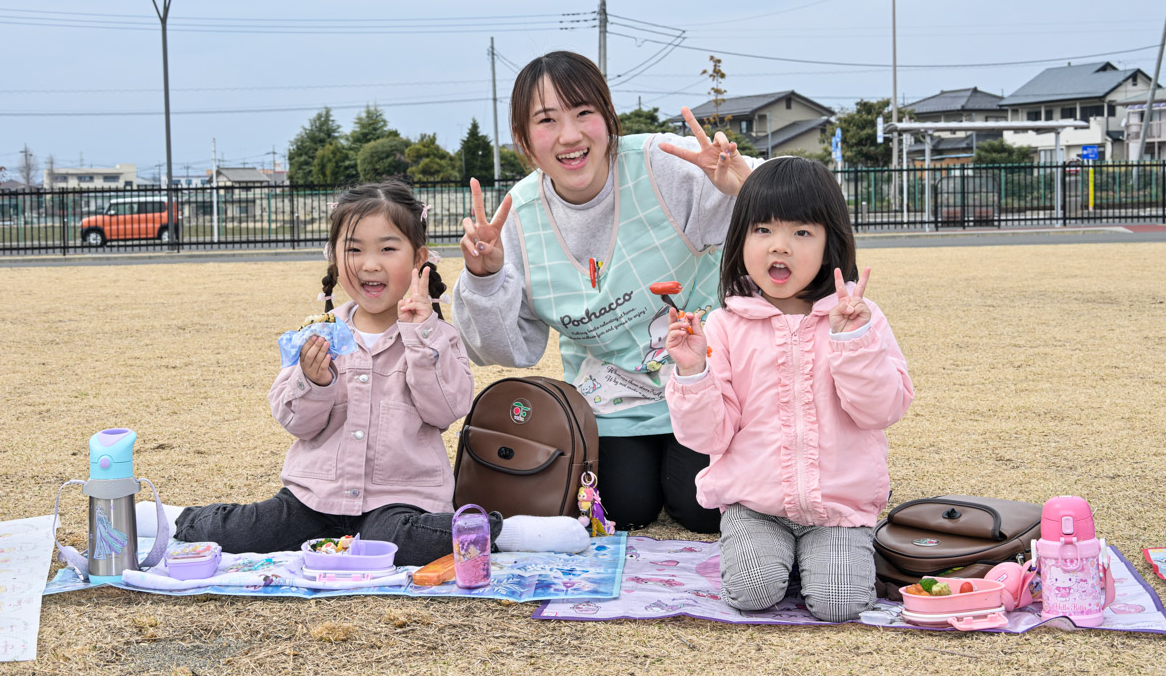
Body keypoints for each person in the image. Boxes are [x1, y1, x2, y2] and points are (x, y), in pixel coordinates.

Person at [138, 180, 588, 566]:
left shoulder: (438, 335)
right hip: (314, 498)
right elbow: (295, 423)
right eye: (353, 249)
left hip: (401, 502)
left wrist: (419, 338)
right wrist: (314, 382)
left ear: (419, 258)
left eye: (388, 249)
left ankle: (506, 532)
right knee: (252, 531)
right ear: (334, 257)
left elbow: (445, 410)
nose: (370, 263)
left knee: (404, 541)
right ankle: (172, 519)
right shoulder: (318, 335)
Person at [452, 50, 759, 533]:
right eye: (547, 120)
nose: (569, 136)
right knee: (623, 506)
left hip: (704, 380)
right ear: (523, 139)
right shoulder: (519, 218)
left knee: (703, 508)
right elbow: (506, 350)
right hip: (611, 399)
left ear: (609, 117)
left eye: (584, 113)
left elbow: (793, 207)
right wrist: (485, 277)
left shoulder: (664, 164)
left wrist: (744, 185)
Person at [663, 157, 914, 621]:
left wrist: (853, 342)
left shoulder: (860, 318)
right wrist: (694, 371)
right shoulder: (723, 326)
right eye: (763, 230)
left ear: (830, 243)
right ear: (740, 240)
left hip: (837, 508)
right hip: (754, 506)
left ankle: (818, 560)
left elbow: (881, 411)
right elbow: (708, 437)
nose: (780, 246)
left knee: (839, 604)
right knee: (752, 591)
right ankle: (776, 556)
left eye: (801, 232)